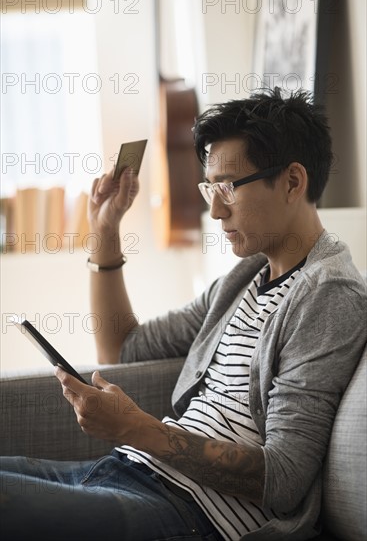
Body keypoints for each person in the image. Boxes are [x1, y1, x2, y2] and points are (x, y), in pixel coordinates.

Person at [1, 87, 366, 541]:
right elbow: (123, 347)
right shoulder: (244, 279)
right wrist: (105, 229)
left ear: (293, 182)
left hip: (187, 513)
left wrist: (134, 426)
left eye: (229, 187)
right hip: (128, 473)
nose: (215, 210)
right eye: (210, 187)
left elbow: (284, 478)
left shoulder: (328, 294)